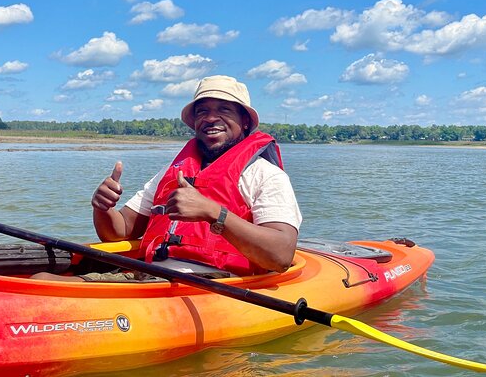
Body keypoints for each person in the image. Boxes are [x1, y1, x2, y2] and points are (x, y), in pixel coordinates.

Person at [34, 75, 302, 281]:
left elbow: (279, 256)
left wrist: (214, 213)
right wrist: (103, 208)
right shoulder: (173, 171)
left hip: (217, 283)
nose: (211, 118)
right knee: (43, 281)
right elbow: (117, 232)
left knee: (45, 286)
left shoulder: (265, 175)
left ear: (244, 121)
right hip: (148, 276)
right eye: (202, 111)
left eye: (224, 110)